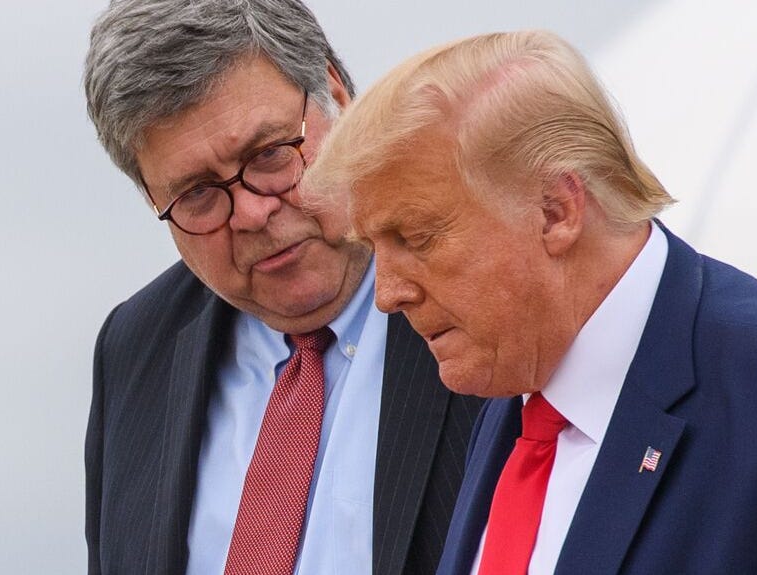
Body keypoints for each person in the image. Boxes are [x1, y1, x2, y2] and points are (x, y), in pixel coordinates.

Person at [302, 30, 757, 574]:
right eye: (375, 247)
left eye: (417, 238)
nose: (388, 294)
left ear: (557, 210)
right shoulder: (513, 393)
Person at [82, 1, 482, 574]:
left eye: (269, 155)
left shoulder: (482, 287)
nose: (251, 213)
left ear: (336, 95)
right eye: (197, 193)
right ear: (152, 199)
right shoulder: (136, 348)